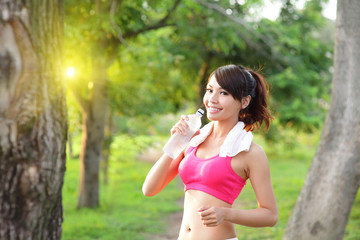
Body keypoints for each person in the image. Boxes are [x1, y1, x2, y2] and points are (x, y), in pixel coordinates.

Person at [142, 64, 278, 240]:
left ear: (244, 101)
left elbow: (270, 215)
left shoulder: (249, 152)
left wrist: (226, 214)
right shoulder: (194, 139)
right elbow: (149, 189)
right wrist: (176, 142)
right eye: (210, 90)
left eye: (224, 93)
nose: (212, 99)